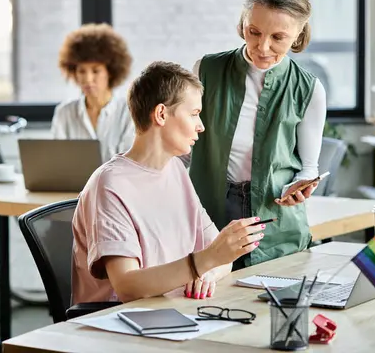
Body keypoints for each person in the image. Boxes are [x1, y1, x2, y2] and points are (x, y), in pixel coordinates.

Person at [71, 61, 265, 304]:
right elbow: (127, 287)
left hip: (176, 312)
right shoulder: (109, 184)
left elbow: (220, 256)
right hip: (122, 326)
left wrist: (207, 274)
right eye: (194, 114)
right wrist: (204, 262)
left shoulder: (175, 169)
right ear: (161, 114)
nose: (201, 126)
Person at [187, 0, 327, 270]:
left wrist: (300, 186)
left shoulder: (308, 89)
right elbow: (181, 150)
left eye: (278, 38)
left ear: (298, 35)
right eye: (254, 31)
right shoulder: (206, 71)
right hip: (209, 220)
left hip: (277, 230)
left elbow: (307, 168)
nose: (263, 47)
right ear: (243, 23)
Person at [52, 23, 135, 162]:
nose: (88, 79)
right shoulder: (64, 113)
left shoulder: (130, 113)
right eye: (81, 71)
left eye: (95, 71)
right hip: (74, 184)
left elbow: (131, 164)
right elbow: (58, 163)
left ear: (111, 72)